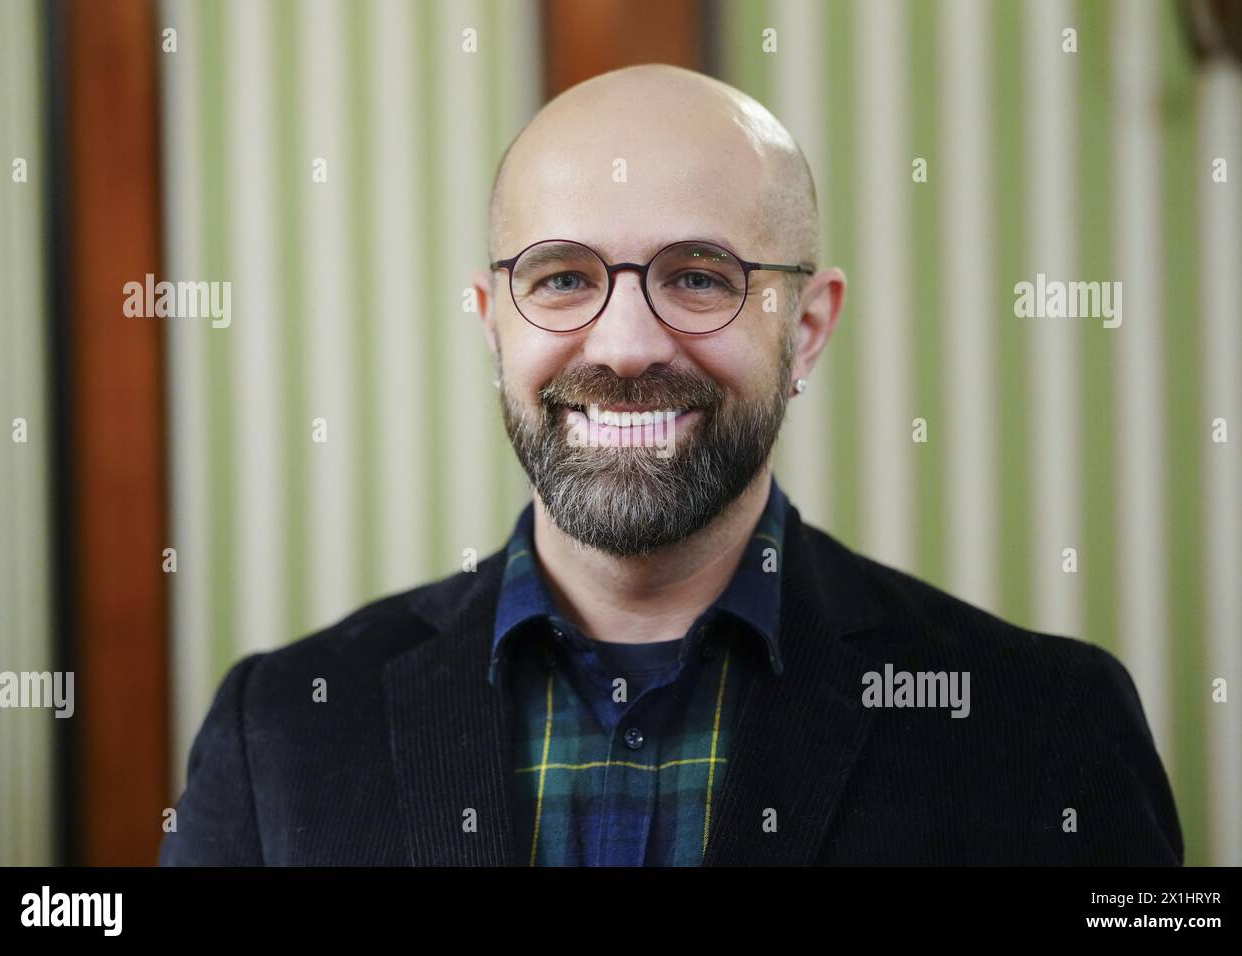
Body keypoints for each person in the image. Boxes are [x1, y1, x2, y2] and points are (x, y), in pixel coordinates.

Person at [159, 64, 1181, 866]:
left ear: (808, 328)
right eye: (561, 277)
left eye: (699, 277)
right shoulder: (280, 729)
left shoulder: (1042, 725)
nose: (627, 344)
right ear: (491, 324)